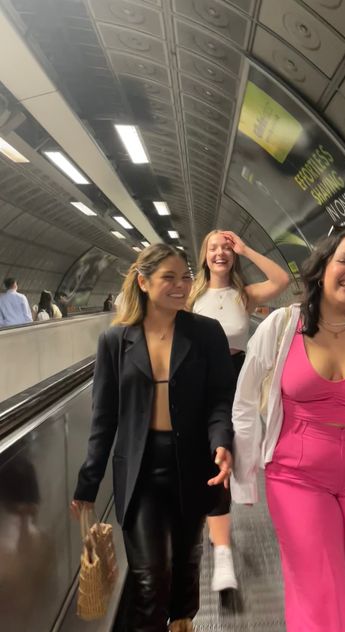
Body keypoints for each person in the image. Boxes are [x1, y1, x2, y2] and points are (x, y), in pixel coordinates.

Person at [231, 227, 345, 632]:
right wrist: (243, 469)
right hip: (296, 474)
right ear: (323, 267)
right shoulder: (282, 326)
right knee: (319, 583)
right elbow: (244, 401)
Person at [71, 243, 235, 632]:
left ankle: (181, 623)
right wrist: (88, 482)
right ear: (143, 282)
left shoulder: (207, 333)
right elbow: (104, 417)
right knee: (149, 577)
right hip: (141, 471)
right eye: (169, 278)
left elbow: (219, 400)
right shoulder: (116, 341)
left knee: (185, 565)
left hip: (193, 464)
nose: (180, 285)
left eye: (185, 277)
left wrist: (221, 442)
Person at [188, 229, 290, 592]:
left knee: (222, 459)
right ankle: (203, 536)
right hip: (194, 385)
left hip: (232, 384)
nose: (220, 253)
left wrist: (247, 248)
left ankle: (223, 553)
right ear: (204, 255)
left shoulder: (243, 296)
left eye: (226, 248)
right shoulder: (191, 296)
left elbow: (282, 280)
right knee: (199, 461)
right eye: (213, 247)